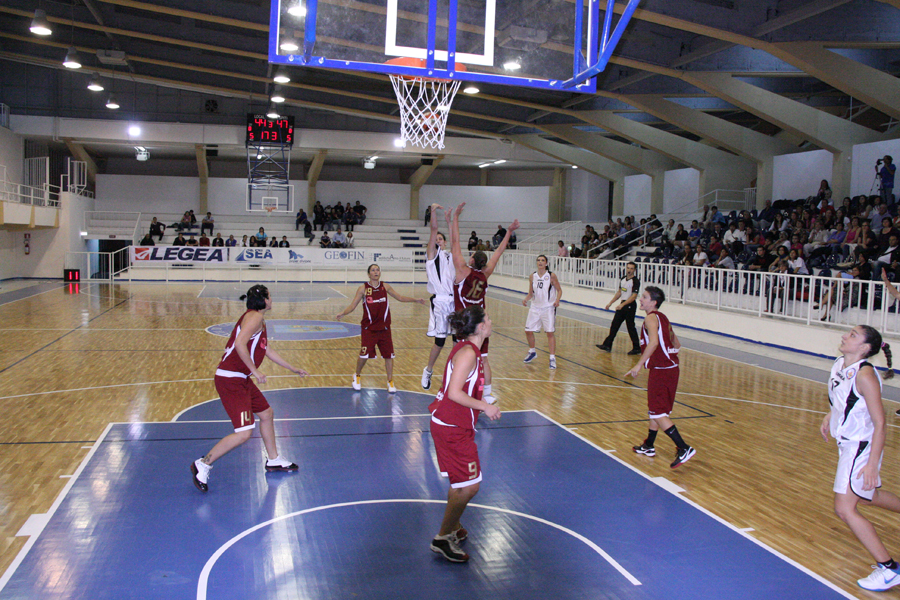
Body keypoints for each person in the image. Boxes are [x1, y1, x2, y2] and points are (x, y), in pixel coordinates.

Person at [190, 285, 310, 493]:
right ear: (263, 299)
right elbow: (239, 344)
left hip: (241, 378)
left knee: (267, 413)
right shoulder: (254, 317)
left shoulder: (258, 319)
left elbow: (266, 349)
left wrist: (292, 368)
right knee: (244, 433)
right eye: (270, 296)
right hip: (231, 379)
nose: (272, 299)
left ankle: (273, 459)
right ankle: (203, 463)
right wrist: (255, 371)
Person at [820, 325, 899, 591]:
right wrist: (831, 414)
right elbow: (842, 398)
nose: (845, 336)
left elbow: (880, 423)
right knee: (867, 496)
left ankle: (889, 569)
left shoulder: (865, 376)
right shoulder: (839, 363)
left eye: (853, 335)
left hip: (861, 446)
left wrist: (872, 465)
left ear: (864, 348)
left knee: (845, 508)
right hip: (847, 444)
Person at [427, 305, 500, 563]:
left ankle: (453, 525)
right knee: (469, 486)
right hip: (451, 427)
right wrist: (485, 406)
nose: (491, 321)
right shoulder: (468, 353)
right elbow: (454, 393)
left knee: (460, 484)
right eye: (488, 318)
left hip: (455, 424)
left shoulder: (471, 350)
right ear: (480, 326)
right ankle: (442, 538)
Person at [448, 203, 520, 404]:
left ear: (472, 260)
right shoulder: (485, 273)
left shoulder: (463, 271)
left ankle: (458, 388)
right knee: (484, 359)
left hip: (465, 323)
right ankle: (487, 393)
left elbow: (455, 242)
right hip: (481, 323)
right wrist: (509, 232)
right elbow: (499, 252)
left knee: (459, 357)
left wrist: (456, 217)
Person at [626, 286, 696, 469]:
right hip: (670, 368)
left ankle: (683, 447)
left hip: (663, 370)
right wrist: (669, 355)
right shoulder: (662, 317)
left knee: (658, 412)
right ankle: (649, 445)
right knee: (656, 410)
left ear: (653, 302)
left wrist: (639, 364)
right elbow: (676, 343)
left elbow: (654, 343)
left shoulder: (650, 318)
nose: (641, 299)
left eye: (644, 297)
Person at [335, 264, 426, 393]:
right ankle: (357, 375)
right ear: (369, 274)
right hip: (369, 328)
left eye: (377, 270)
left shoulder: (385, 286)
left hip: (384, 328)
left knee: (389, 355)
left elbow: (400, 297)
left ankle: (390, 381)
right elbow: (353, 305)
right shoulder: (363, 289)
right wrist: (343, 313)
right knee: (364, 355)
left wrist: (415, 300)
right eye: (373, 270)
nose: (376, 272)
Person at [422, 204, 456, 390]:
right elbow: (434, 229)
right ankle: (428, 370)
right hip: (440, 302)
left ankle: (456, 374)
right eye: (436, 239)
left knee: (458, 340)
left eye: (441, 239)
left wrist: (450, 221)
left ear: (445, 242)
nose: (438, 241)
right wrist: (433, 211)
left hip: (454, 301)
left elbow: (455, 239)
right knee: (440, 342)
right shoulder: (432, 256)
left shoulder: (451, 256)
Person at [522, 255, 562, 369]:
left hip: (548, 308)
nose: (540, 262)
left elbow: (559, 290)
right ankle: (532, 351)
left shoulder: (551, 276)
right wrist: (526, 299)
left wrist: (557, 300)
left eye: (542, 260)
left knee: (549, 333)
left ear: (546, 263)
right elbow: (531, 293)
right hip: (535, 307)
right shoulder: (532, 276)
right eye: (538, 260)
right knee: (528, 330)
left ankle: (552, 358)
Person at [597, 261, 641, 355]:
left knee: (630, 327)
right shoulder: (623, 279)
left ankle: (637, 347)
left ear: (634, 270)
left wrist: (623, 304)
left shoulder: (635, 281)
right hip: (622, 305)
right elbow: (620, 292)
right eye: (628, 268)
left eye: (631, 268)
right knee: (614, 325)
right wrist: (611, 302)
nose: (629, 270)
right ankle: (607, 345)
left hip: (630, 306)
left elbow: (633, 296)